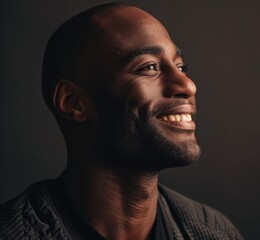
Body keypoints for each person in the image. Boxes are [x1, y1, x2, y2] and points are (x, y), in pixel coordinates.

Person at [0, 3, 243, 240]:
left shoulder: (214, 231)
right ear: (74, 103)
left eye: (180, 66)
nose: (187, 85)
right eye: (149, 67)